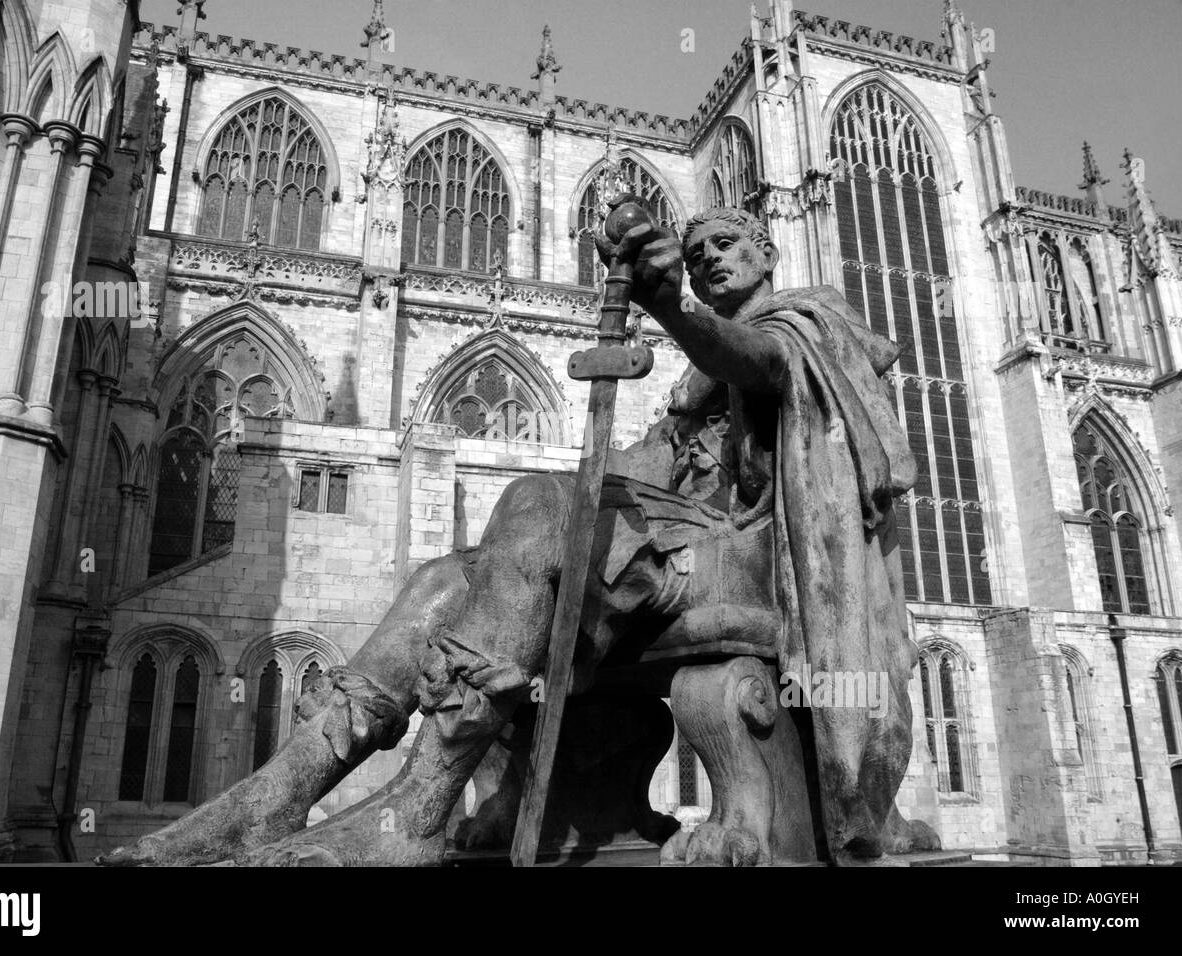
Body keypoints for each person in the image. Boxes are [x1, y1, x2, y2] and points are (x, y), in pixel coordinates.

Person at [100, 202, 924, 867]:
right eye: (697, 248)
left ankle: (416, 813)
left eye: (726, 244)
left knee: (537, 504)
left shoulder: (809, 327)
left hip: (751, 565)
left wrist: (667, 304)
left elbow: (759, 363)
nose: (711, 258)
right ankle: (276, 793)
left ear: (769, 252)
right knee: (445, 581)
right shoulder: (693, 387)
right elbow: (637, 466)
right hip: (682, 551)